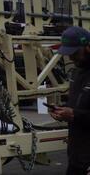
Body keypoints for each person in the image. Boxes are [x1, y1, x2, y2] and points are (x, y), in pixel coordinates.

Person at [49, 26, 90, 175]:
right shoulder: (76, 73)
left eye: (74, 53)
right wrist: (62, 110)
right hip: (76, 157)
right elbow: (77, 105)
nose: (71, 58)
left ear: (88, 47)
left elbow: (78, 113)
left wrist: (74, 115)